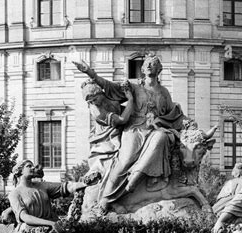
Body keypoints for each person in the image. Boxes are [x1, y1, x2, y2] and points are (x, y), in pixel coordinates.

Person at [73, 53, 184, 211]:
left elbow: (174, 113)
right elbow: (109, 87)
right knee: (124, 161)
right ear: (143, 69)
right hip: (134, 128)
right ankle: (106, 198)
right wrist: (90, 73)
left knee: (161, 137)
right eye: (147, 64)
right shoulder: (133, 87)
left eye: (153, 63)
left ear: (160, 69)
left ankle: (135, 179)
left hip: (154, 129)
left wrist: (188, 123)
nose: (149, 65)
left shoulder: (164, 92)